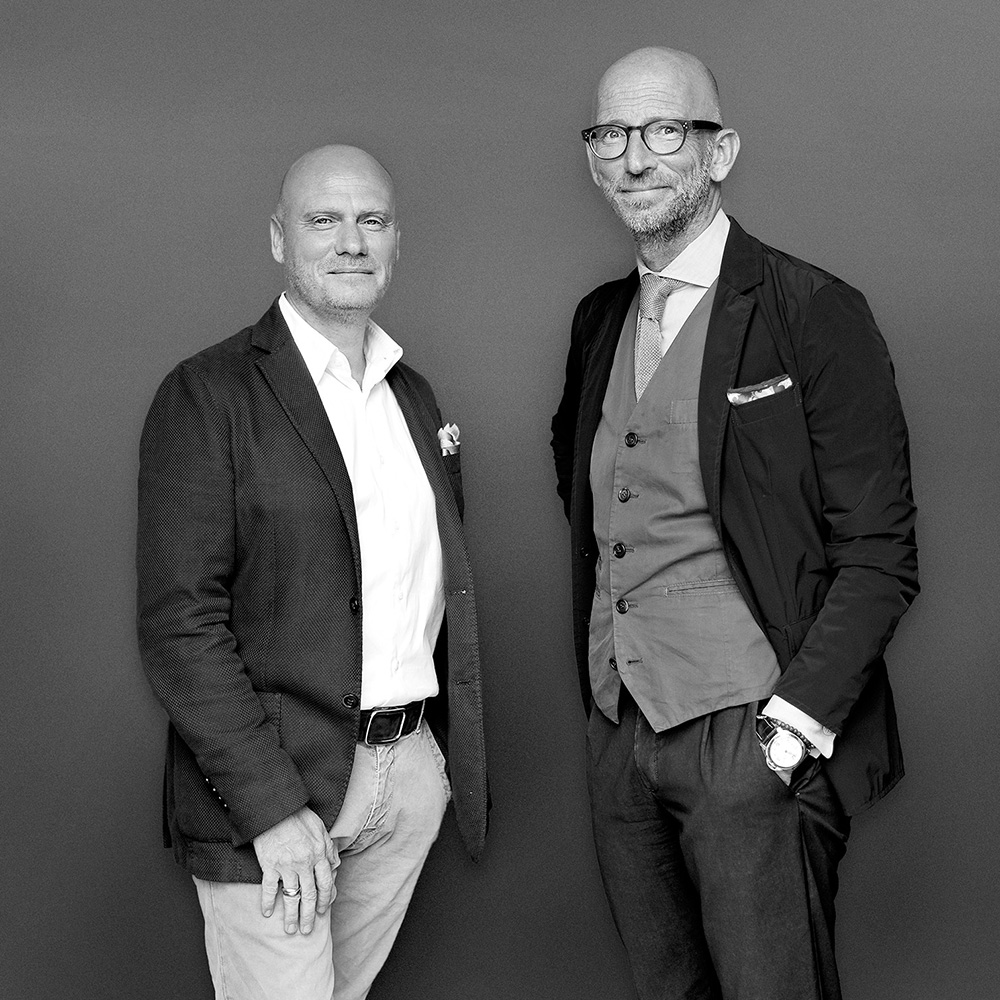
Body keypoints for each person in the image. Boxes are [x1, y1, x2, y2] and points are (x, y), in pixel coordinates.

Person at [550, 48, 917, 1000]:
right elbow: (598, 503)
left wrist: (790, 730)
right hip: (621, 729)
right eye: (611, 135)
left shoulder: (813, 310)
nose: (635, 157)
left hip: (753, 732)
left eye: (664, 131)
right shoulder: (598, 322)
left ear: (720, 153)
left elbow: (880, 553)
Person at [137, 144, 487, 1000]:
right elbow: (180, 625)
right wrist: (271, 809)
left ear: (396, 240)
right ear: (278, 238)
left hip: (405, 778)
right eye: (323, 220)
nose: (350, 241)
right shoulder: (207, 394)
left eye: (372, 220)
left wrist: (429, 771)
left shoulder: (414, 398)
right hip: (277, 792)